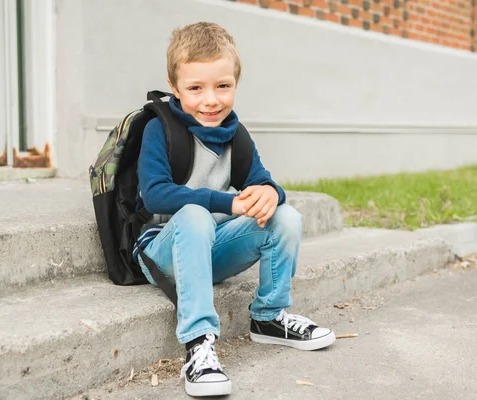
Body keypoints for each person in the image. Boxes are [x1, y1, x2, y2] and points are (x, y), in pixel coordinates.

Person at [134, 22, 336, 397]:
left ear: (235, 84)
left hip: (210, 250)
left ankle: (269, 317)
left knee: (286, 217)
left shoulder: (235, 134)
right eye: (195, 88)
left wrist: (271, 195)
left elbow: (264, 181)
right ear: (175, 87)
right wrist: (227, 202)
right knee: (194, 213)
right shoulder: (160, 129)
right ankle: (197, 344)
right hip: (162, 250)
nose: (210, 100)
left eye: (222, 86)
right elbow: (156, 195)